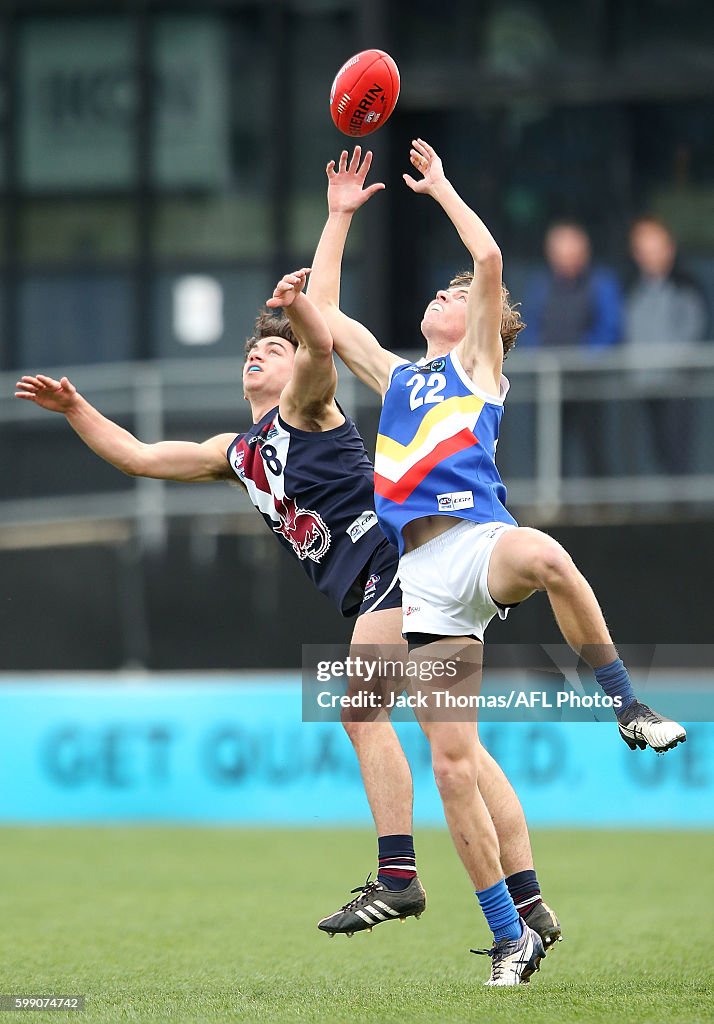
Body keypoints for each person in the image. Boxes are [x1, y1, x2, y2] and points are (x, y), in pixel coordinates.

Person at [15, 268, 561, 960]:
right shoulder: (237, 453)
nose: (259, 354)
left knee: (365, 715)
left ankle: (400, 875)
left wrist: (301, 303)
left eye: (274, 349)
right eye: (253, 350)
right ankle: (528, 900)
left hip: (399, 572)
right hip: (397, 582)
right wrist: (75, 410)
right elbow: (140, 456)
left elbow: (323, 347)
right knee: (459, 755)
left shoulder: (307, 408)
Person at [307, 141, 687, 986]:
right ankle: (511, 934)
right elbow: (324, 319)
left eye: (453, 295)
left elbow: (486, 257)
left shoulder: (479, 362)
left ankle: (625, 704)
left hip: (481, 543)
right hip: (424, 580)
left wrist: (440, 187)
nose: (444, 294)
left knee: (547, 555)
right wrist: (336, 219)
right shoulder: (397, 376)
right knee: (452, 764)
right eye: (440, 292)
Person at [520, 220, 623, 477]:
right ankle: (552, 502)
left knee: (594, 445)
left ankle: (602, 504)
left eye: (572, 251)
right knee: (548, 444)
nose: (566, 258)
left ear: (584, 252)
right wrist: (541, 359)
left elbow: (610, 328)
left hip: (589, 382)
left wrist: (583, 359)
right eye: (560, 251)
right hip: (548, 381)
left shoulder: (601, 282)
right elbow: (527, 326)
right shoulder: (540, 285)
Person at [624, 215, 709, 475]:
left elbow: (693, 329)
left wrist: (670, 363)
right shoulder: (631, 288)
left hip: (678, 382)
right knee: (653, 449)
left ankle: (680, 507)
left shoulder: (688, 285)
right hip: (643, 384)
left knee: (678, 448)